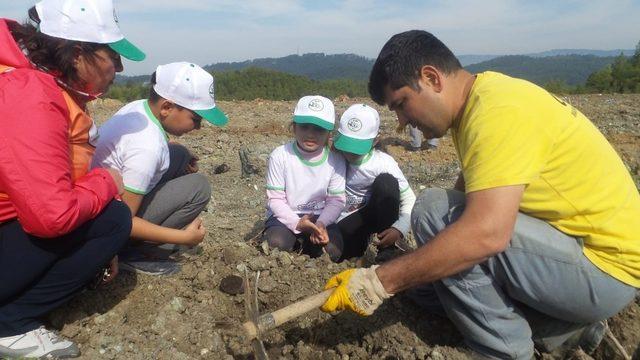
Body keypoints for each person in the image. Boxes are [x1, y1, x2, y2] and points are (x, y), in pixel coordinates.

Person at [321, 30, 640, 359]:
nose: (401, 123)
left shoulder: (496, 111)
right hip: (571, 255)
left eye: (401, 104)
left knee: (432, 212)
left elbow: (486, 234)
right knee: (426, 287)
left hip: (604, 270)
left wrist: (379, 282)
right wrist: (417, 267)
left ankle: (505, 350)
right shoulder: (481, 100)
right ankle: (563, 332)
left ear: (431, 78)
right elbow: (471, 190)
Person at [0, 0, 145, 357]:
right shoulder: (29, 92)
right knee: (113, 218)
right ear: (78, 54)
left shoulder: (27, 78)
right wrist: (108, 182)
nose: (120, 67)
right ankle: (11, 325)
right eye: (113, 55)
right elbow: (52, 215)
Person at [92, 62, 227, 276]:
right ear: (167, 107)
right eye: (196, 119)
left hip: (103, 196)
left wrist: (171, 150)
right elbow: (122, 221)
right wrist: (185, 238)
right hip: (105, 224)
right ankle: (134, 252)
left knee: (180, 154)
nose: (199, 127)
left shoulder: (139, 108)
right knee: (199, 187)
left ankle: (141, 243)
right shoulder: (147, 148)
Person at [263, 95, 346, 262]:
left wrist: (321, 225)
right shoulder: (280, 155)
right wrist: (297, 223)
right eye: (305, 127)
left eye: (319, 129)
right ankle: (300, 243)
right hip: (286, 214)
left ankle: (305, 244)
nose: (311, 134)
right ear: (294, 128)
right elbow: (275, 199)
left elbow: (336, 201)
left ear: (329, 133)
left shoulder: (336, 160)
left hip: (321, 216)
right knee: (276, 242)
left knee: (333, 250)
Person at [332, 104, 416, 259]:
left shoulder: (382, 163)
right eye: (347, 144)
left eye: (357, 147)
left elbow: (409, 199)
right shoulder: (333, 157)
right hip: (343, 220)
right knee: (337, 251)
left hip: (372, 214)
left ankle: (387, 249)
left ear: (375, 141)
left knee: (387, 183)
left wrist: (399, 228)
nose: (350, 152)